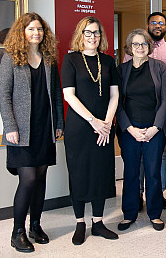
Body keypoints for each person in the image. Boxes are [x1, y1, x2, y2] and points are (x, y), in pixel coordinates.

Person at [0, 12, 64, 253]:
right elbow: (4, 96)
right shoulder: (10, 57)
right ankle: (18, 232)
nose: (36, 33)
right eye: (31, 29)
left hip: (44, 128)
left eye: (40, 29)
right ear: (22, 32)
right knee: (27, 180)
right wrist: (10, 127)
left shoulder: (48, 58)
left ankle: (36, 226)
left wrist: (59, 123)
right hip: (21, 131)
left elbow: (56, 93)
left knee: (41, 179)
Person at [61, 16, 120, 245]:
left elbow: (114, 95)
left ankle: (98, 222)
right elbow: (69, 95)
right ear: (80, 35)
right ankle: (80, 223)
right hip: (80, 127)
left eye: (96, 33)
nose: (93, 37)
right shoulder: (71, 60)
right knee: (79, 174)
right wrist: (93, 121)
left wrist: (106, 123)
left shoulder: (108, 61)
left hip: (104, 127)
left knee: (100, 173)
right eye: (88, 32)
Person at [125, 12, 166, 212]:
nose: (158, 26)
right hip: (136, 119)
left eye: (161, 23)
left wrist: (165, 115)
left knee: (163, 156)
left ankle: (158, 194)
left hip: (164, 115)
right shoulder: (128, 59)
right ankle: (138, 194)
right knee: (138, 159)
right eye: (154, 22)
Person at [116, 29, 166, 231]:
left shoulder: (160, 67)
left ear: (150, 47)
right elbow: (118, 103)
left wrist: (155, 127)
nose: (140, 48)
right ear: (129, 48)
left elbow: (165, 100)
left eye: (144, 44)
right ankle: (129, 214)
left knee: (153, 172)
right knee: (130, 172)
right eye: (136, 44)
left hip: (154, 130)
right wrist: (129, 128)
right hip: (129, 130)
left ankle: (155, 214)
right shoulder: (121, 70)